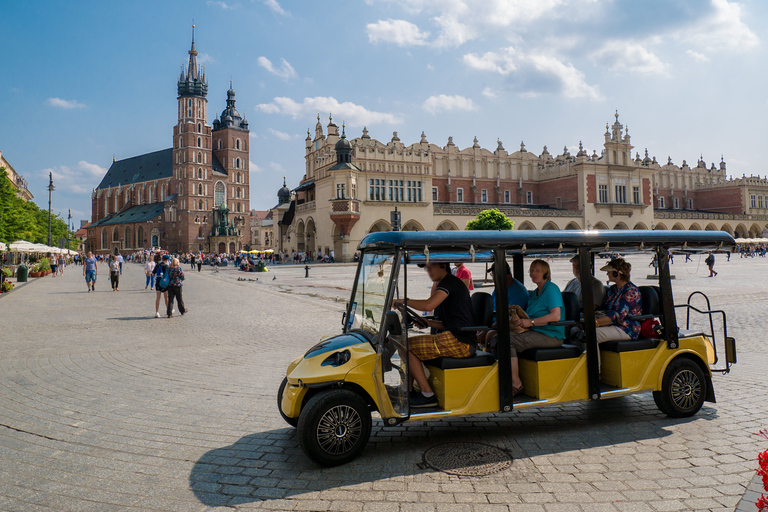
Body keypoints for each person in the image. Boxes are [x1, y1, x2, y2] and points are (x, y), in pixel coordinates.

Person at [393, 262, 475, 408]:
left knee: (405, 346)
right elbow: (446, 323)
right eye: (427, 268)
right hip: (456, 336)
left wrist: (402, 301)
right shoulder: (446, 284)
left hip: (460, 342)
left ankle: (427, 394)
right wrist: (426, 322)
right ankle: (408, 391)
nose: (428, 271)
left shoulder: (448, 282)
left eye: (431, 267)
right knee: (407, 344)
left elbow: (428, 305)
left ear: (443, 265)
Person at [504, 259, 566, 396]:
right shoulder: (535, 293)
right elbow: (529, 317)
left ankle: (516, 383)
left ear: (545, 273)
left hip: (551, 335)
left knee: (508, 340)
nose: (533, 273)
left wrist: (531, 322)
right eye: (532, 270)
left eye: (537, 270)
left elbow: (555, 316)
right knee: (500, 335)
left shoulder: (551, 289)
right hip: (535, 332)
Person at [478, 262, 528, 346]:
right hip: (495, 324)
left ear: (506, 275)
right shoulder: (500, 288)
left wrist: (486, 330)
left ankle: (491, 356)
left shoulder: (518, 292)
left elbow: (508, 317)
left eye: (495, 275)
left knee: (490, 334)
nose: (493, 279)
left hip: (510, 326)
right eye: (492, 275)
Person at [595, 258, 642, 343]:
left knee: (592, 334)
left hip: (626, 328)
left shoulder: (631, 291)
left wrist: (595, 323)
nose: (607, 273)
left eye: (609, 272)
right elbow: (606, 309)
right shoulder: (613, 289)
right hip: (612, 325)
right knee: (577, 331)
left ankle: (593, 357)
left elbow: (617, 315)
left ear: (617, 274)